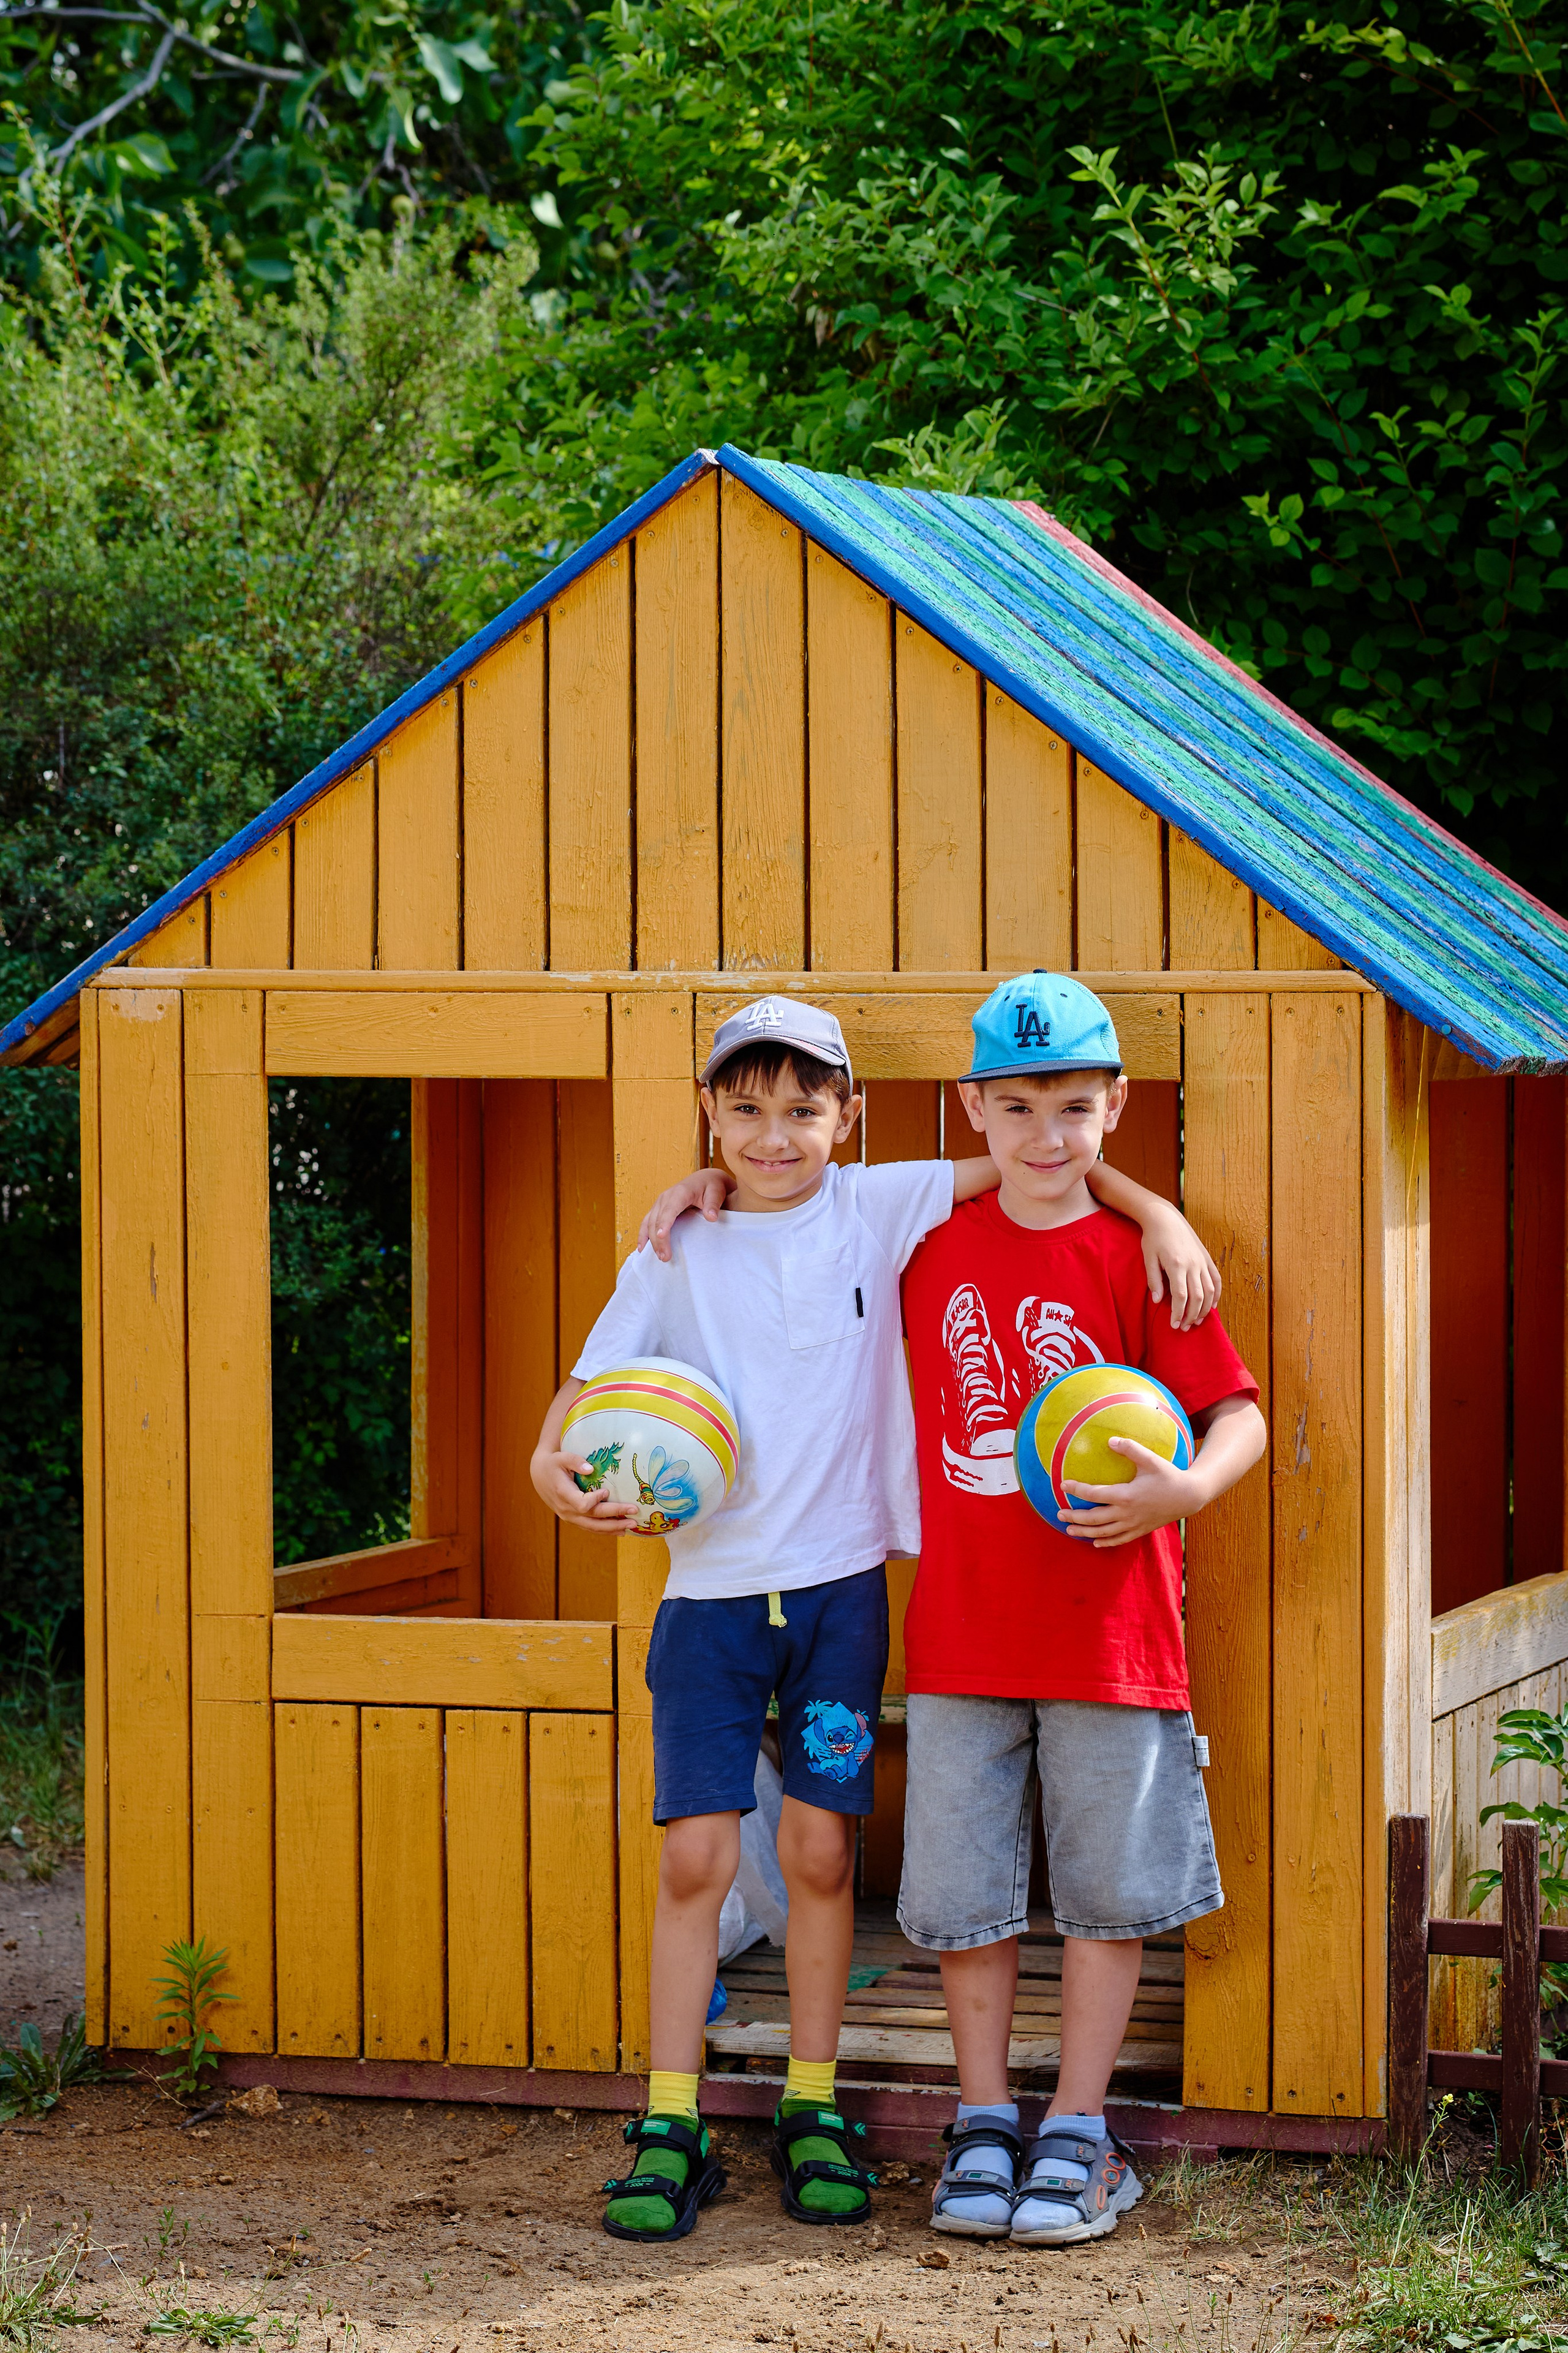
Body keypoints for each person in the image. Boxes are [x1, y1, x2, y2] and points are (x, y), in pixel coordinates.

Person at [535, 995, 1216, 2245]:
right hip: (707, 1600)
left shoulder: (880, 1202)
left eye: (802, 1109)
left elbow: (1042, 1154)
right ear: (709, 1114)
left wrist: (1156, 1205)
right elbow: (577, 1403)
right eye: (744, 1109)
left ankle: (810, 2105)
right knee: (693, 1856)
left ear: (847, 1117)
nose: (773, 1133)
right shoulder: (671, 1253)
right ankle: (670, 2116)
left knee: (818, 1855)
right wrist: (548, 1472)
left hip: (843, 1591)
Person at [897, 972, 1266, 2247]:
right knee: (960, 1898)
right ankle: (984, 2117)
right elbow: (796, 1211)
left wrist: (1183, 1493)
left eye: (1071, 1108)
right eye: (1015, 1108)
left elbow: (1236, 1414)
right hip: (960, 1634)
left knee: (1108, 1896)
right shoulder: (923, 1247)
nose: (1045, 1137)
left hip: (1115, 1638)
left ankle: (1077, 2129)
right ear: (972, 1109)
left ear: (1114, 1103)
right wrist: (697, 1188)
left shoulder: (1136, 1255)